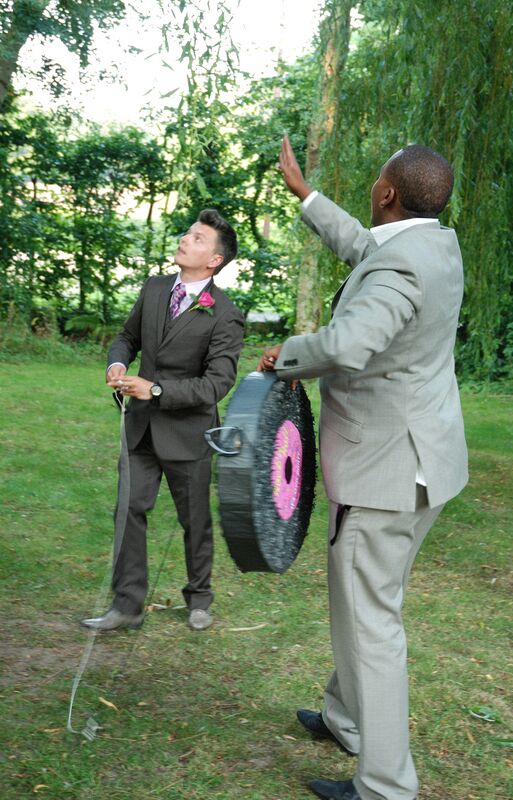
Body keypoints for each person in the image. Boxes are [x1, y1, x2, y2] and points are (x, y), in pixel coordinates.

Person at [258, 136, 468, 800]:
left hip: (385, 471)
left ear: (387, 192)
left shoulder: (401, 266)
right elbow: (365, 250)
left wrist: (288, 356)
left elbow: (349, 344)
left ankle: (384, 785)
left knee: (371, 622)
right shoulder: (435, 246)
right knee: (373, 601)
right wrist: (307, 197)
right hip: (426, 461)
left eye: (377, 179)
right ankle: (347, 719)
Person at [82, 209, 244, 633]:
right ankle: (127, 606)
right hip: (140, 428)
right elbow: (127, 337)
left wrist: (155, 390)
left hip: (188, 434)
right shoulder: (154, 288)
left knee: (194, 520)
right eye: (188, 233)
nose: (185, 239)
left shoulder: (224, 313)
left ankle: (199, 597)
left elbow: (217, 383)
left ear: (214, 260)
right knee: (128, 511)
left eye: (197, 238)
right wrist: (117, 364)